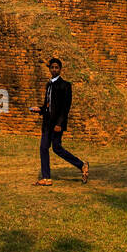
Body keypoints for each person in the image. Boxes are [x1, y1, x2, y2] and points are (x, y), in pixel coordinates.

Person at [28, 57, 89, 186]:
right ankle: (46, 178)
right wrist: (39, 109)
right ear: (50, 69)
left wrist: (59, 124)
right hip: (47, 123)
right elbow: (47, 106)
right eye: (52, 67)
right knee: (43, 148)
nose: (54, 69)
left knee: (57, 148)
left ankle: (82, 165)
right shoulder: (49, 84)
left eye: (57, 67)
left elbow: (65, 107)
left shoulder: (65, 85)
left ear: (60, 69)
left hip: (56, 124)